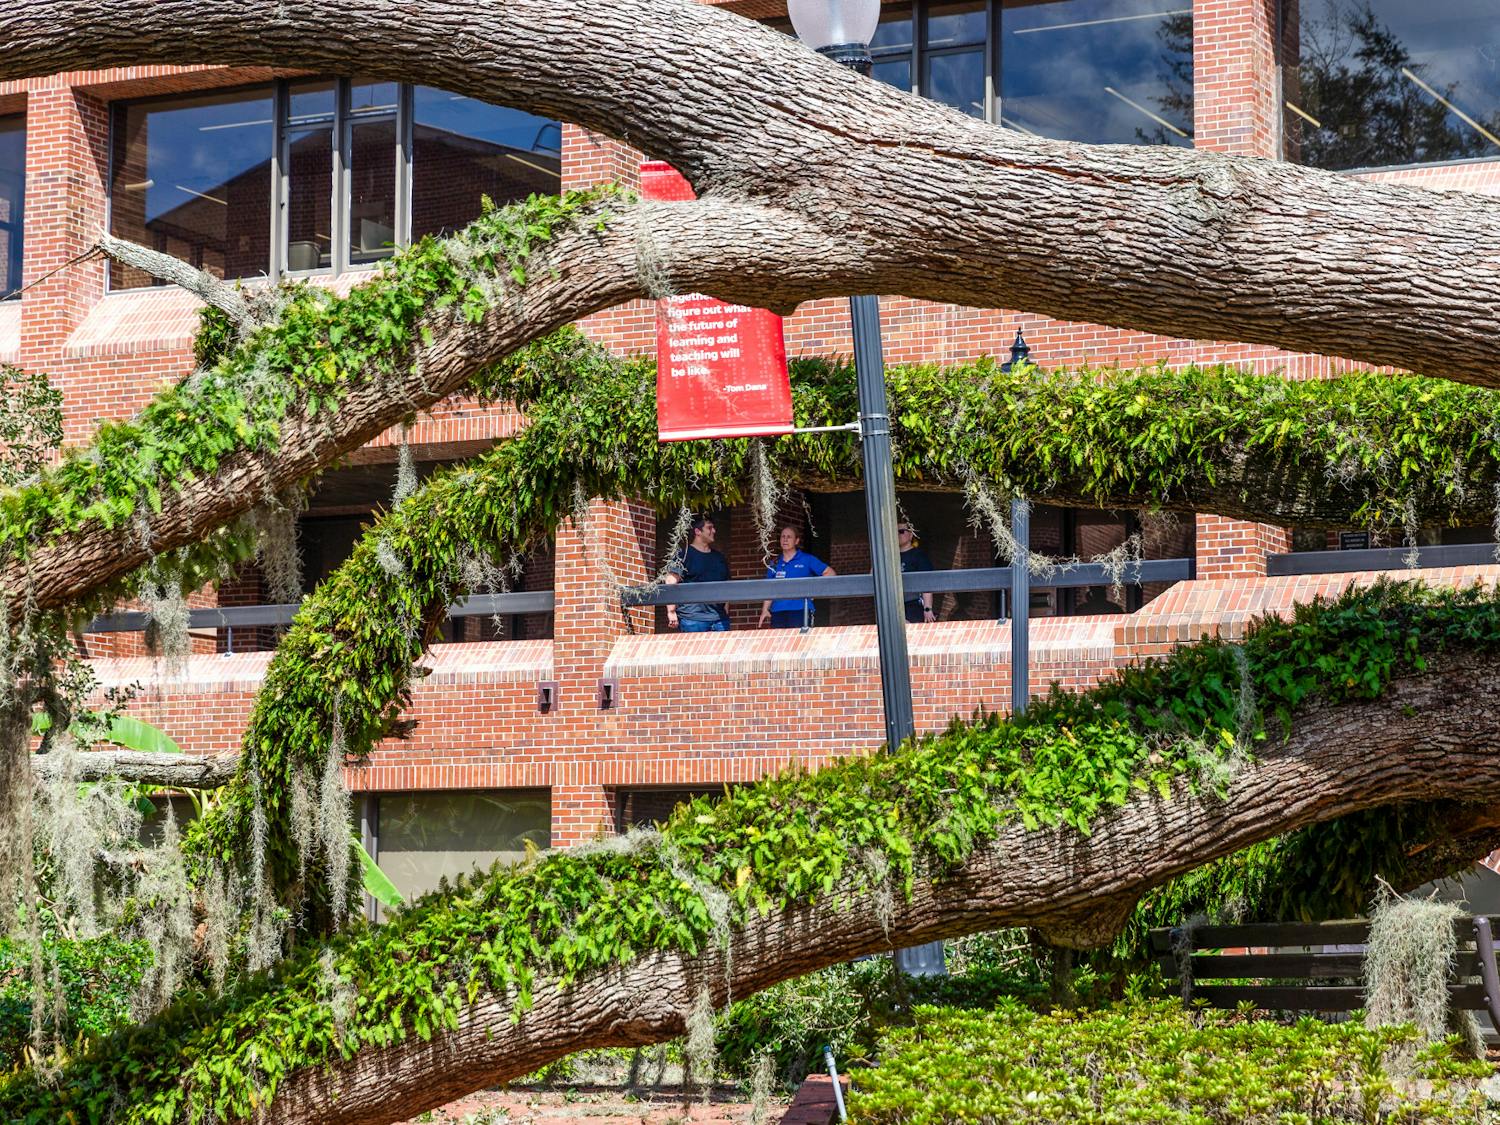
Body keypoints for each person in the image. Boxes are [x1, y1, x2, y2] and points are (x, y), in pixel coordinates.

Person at [758, 525, 836, 628]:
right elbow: (769, 588)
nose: (785, 539)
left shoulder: (807, 559)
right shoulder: (775, 563)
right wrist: (765, 609)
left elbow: (830, 573)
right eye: (783, 536)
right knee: (779, 638)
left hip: (800, 609)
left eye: (789, 537)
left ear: (796, 541)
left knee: (799, 637)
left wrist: (814, 590)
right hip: (778, 610)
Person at [664, 515, 730, 632]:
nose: (714, 531)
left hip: (720, 619)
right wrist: (671, 611)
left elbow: (726, 585)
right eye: (709, 528)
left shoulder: (719, 558)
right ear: (697, 531)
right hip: (692, 619)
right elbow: (670, 581)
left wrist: (725, 610)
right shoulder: (684, 555)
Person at [898, 521, 936, 624]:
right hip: (893, 605)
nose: (897, 535)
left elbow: (926, 582)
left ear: (911, 535)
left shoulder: (919, 556)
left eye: (901, 531)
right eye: (894, 532)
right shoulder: (888, 557)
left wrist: (927, 608)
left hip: (913, 605)